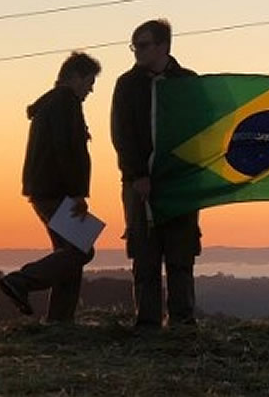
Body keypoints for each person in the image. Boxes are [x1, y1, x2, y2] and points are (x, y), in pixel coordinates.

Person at [111, 19, 201, 330]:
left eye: (143, 44)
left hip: (180, 184)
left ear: (163, 46)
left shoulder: (188, 82)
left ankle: (182, 320)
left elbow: (201, 130)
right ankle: (147, 322)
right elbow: (121, 134)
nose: (137, 50)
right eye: (134, 45)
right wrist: (137, 174)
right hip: (138, 184)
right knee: (144, 252)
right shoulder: (127, 84)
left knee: (181, 252)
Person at [0, 52, 101, 323]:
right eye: (89, 82)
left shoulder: (52, 103)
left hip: (44, 189)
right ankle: (21, 281)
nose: (90, 90)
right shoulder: (66, 102)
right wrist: (77, 193)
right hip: (56, 191)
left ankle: (60, 321)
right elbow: (66, 149)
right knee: (81, 250)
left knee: (68, 254)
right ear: (75, 77)